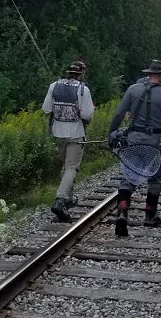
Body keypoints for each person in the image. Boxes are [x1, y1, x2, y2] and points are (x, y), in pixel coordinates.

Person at [108, 59, 161, 236]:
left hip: (132, 140)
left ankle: (123, 212)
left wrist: (112, 133)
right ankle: (150, 214)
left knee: (129, 176)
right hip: (153, 143)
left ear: (148, 74)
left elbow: (118, 114)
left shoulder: (132, 89)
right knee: (155, 177)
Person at [43, 62, 95, 222]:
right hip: (75, 133)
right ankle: (60, 199)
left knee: (66, 166)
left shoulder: (54, 85)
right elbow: (87, 115)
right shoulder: (82, 89)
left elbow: (46, 109)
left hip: (58, 132)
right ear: (81, 74)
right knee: (72, 166)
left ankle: (69, 199)